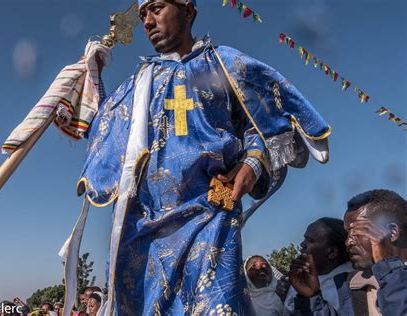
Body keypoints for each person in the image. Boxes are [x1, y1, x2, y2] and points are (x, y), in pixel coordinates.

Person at [78, 0, 331, 314]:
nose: (147, 21)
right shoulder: (138, 85)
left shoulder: (224, 64)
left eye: (156, 8)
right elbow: (101, 130)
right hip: (142, 226)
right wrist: (92, 74)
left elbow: (268, 121)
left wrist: (253, 160)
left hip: (210, 211)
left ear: (188, 11)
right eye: (143, 14)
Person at [288, 190, 407, 315]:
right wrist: (312, 301)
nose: (348, 242)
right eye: (347, 233)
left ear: (392, 233)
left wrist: (390, 270)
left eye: (357, 230)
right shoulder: (354, 285)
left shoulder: (391, 277)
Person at [284, 217, 353, 314]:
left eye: (310, 240)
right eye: (305, 238)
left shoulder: (349, 287)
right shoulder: (303, 279)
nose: (302, 244)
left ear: (332, 252)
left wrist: (312, 298)